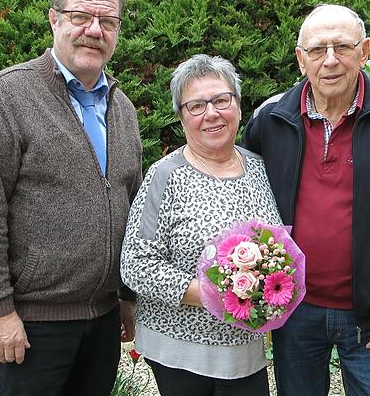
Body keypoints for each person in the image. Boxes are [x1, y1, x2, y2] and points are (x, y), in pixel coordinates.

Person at [0, 0, 142, 395]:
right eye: (81, 16)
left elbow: (132, 207)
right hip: (32, 327)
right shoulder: (5, 96)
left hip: (103, 320)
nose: (94, 30)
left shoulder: (123, 109)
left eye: (107, 21)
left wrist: (126, 296)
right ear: (54, 19)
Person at [241, 4, 370, 396]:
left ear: (364, 51)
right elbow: (245, 207)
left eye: (343, 47)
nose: (330, 60)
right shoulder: (270, 119)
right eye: (318, 50)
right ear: (301, 60)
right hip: (294, 310)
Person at [120, 54, 281, 396]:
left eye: (221, 100)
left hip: (244, 348)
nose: (211, 113)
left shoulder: (259, 169)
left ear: (237, 106)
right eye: (196, 106)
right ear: (182, 118)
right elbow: (135, 263)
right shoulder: (165, 176)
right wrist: (213, 294)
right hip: (181, 348)